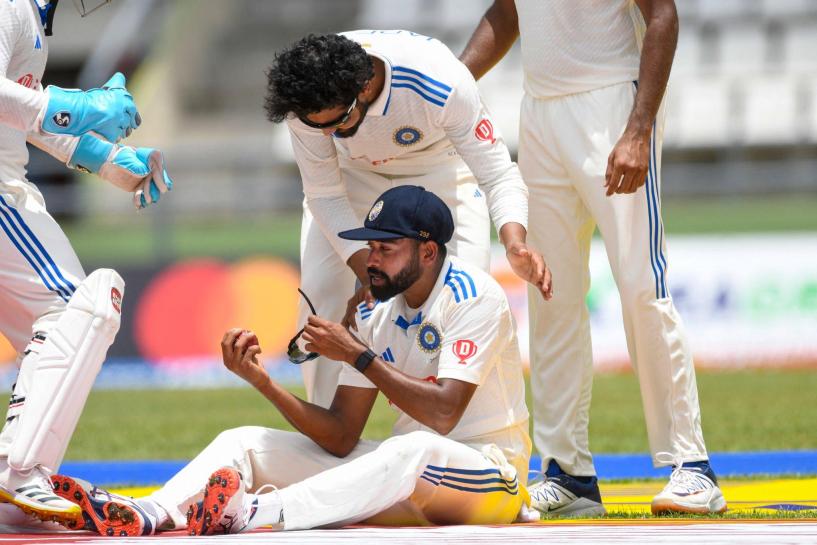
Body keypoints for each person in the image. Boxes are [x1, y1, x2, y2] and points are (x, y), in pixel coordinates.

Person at [49, 186, 537, 536]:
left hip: (489, 481)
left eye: (385, 249)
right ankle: (149, 514)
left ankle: (254, 513)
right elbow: (342, 435)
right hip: (402, 487)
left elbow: (445, 413)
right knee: (243, 441)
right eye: (369, 246)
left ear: (427, 251)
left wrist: (358, 355)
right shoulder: (376, 311)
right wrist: (262, 382)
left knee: (409, 448)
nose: (371, 260)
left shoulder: (474, 297)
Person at [459, 0, 726, 516]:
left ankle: (693, 467)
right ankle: (568, 474)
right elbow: (510, 11)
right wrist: (451, 80)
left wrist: (638, 128)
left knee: (640, 284)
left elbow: (663, 15)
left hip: (612, 104)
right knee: (549, 292)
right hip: (538, 110)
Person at [263, 31, 551, 409]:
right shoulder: (309, 103)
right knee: (321, 295)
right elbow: (325, 196)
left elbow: (498, 173)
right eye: (320, 127)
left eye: (339, 121)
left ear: (365, 87)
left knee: (464, 294)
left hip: (438, 163)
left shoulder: (440, 82)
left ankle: (452, 441)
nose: (329, 133)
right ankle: (327, 437)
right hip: (351, 173)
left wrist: (514, 242)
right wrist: (372, 276)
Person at [0, 0, 173, 526]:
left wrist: (109, 159)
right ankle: (19, 474)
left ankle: (20, 484)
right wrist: (77, 105)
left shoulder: (30, 19)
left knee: (67, 318)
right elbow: (32, 107)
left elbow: (21, 114)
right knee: (76, 307)